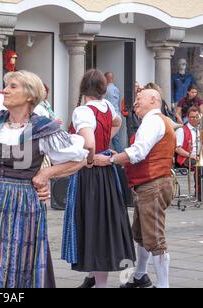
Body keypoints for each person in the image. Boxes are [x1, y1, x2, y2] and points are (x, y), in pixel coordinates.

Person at [0, 70, 88, 288]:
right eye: (6, 85)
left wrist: (46, 174)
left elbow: (80, 158)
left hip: (23, 202)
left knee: (17, 257)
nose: (5, 90)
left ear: (29, 95)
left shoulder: (43, 127)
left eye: (13, 86)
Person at [95, 89, 175, 288]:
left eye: (139, 99)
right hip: (149, 184)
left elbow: (138, 152)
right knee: (141, 234)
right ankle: (140, 276)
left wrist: (111, 159)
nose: (135, 103)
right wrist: (119, 156)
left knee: (154, 237)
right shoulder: (155, 121)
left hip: (153, 184)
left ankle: (163, 285)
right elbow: (141, 153)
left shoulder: (153, 121)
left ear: (154, 100)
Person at [63, 69, 136, 289]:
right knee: (105, 223)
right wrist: (105, 145)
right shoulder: (108, 106)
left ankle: (99, 283)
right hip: (107, 174)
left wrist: (92, 158)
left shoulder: (83, 111)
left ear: (83, 88)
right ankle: (102, 280)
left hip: (90, 174)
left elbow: (88, 143)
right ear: (103, 89)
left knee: (93, 224)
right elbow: (117, 123)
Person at [175, 106, 200, 199]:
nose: (195, 119)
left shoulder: (200, 129)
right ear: (188, 117)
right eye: (192, 117)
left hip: (199, 155)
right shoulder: (182, 130)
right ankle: (199, 192)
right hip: (186, 157)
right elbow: (177, 149)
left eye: (197, 117)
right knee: (200, 165)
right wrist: (191, 155)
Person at [105, 72, 122, 153]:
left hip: (109, 116)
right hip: (117, 115)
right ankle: (119, 157)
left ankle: (106, 156)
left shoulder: (106, 90)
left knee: (106, 138)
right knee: (116, 139)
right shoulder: (116, 89)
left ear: (106, 78)